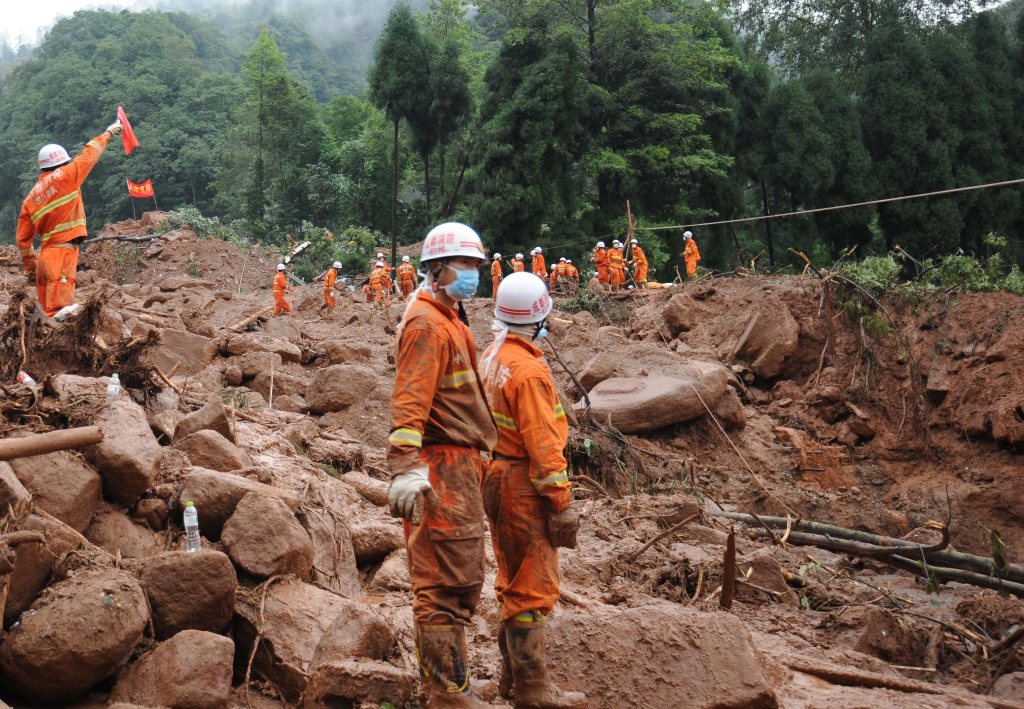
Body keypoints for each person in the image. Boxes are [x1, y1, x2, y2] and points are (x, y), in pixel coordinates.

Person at [387, 222, 497, 707]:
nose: (472, 273)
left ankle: (455, 683)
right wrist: (407, 466)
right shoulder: (428, 325)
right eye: (464, 264)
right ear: (436, 269)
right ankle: (444, 692)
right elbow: (409, 401)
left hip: (460, 461)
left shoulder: (449, 315)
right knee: (441, 582)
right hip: (441, 464)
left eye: (476, 265)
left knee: (460, 576)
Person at [479, 272, 586, 709]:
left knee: (510, 578)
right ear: (541, 315)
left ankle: (509, 682)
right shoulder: (528, 372)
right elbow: (544, 445)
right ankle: (534, 690)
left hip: (496, 476)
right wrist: (560, 503)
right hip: (523, 484)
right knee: (532, 588)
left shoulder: (491, 354)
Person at [17, 119, 124, 320]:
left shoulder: (30, 198)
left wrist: (31, 265)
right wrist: (108, 133)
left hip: (44, 259)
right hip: (62, 253)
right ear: (63, 161)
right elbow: (89, 155)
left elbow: (23, 240)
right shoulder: (67, 176)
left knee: (43, 317)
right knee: (59, 313)